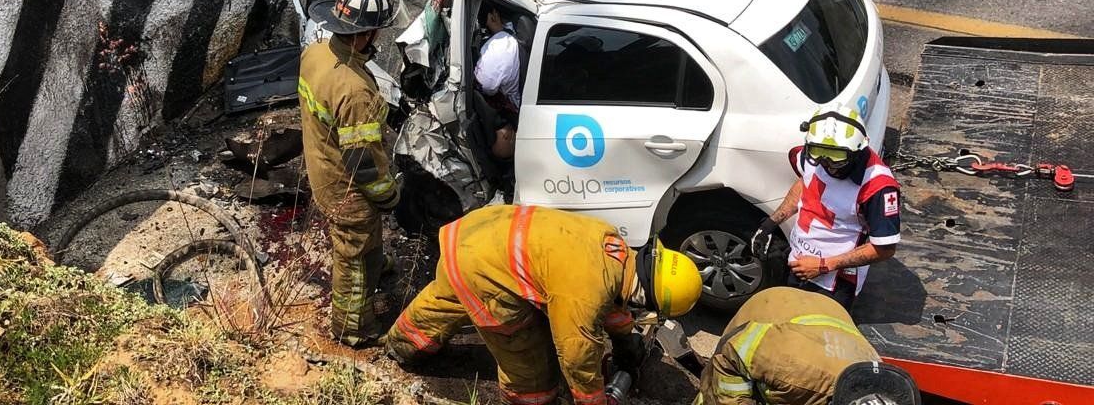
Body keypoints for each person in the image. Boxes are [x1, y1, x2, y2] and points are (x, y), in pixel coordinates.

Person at [385, 204, 704, 405]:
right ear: (647, 295)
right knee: (531, 365)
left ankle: (401, 343)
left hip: (479, 235)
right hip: (486, 273)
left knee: (451, 291)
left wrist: (625, 342)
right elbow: (577, 357)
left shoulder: (615, 248)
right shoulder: (584, 295)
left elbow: (616, 304)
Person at [300, 0, 404, 346]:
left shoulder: (314, 53)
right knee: (352, 257)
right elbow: (363, 164)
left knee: (360, 245)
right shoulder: (355, 90)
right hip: (346, 189)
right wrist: (389, 196)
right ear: (364, 34)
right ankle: (352, 327)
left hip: (320, 168)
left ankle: (377, 265)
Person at [751, 105, 901, 312]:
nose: (827, 164)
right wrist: (771, 223)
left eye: (836, 158)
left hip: (834, 282)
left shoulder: (878, 187)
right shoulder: (812, 157)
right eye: (818, 155)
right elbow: (805, 182)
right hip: (798, 263)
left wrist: (823, 265)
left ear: (857, 151)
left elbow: (884, 248)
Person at [694, 287, 921, 405]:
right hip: (772, 311)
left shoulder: (880, 383)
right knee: (715, 392)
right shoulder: (794, 371)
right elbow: (734, 353)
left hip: (827, 314)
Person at [473, 2, 520, 160]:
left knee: (499, 148)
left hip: (516, 110)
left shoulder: (500, 47)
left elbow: (486, 87)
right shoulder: (511, 36)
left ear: (493, 16)